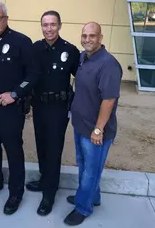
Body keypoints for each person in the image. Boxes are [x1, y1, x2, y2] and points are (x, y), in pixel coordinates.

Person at [0, 1, 39, 215]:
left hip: (10, 109)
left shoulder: (21, 41)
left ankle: (15, 192)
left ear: (6, 18)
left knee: (13, 151)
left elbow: (33, 74)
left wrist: (15, 94)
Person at [64, 22, 122, 226]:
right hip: (81, 125)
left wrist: (98, 129)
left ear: (100, 38)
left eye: (92, 36)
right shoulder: (83, 57)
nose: (88, 39)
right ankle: (91, 197)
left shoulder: (108, 64)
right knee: (85, 165)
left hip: (96, 131)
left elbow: (108, 100)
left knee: (91, 170)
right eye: (85, 35)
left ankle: (83, 207)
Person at [25, 11, 80, 216]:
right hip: (39, 106)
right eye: (45, 24)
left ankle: (49, 193)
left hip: (59, 108)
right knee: (41, 145)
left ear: (59, 25)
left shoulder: (70, 50)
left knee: (54, 149)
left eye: (53, 24)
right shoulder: (35, 48)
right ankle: (43, 179)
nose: (49, 28)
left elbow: (81, 77)